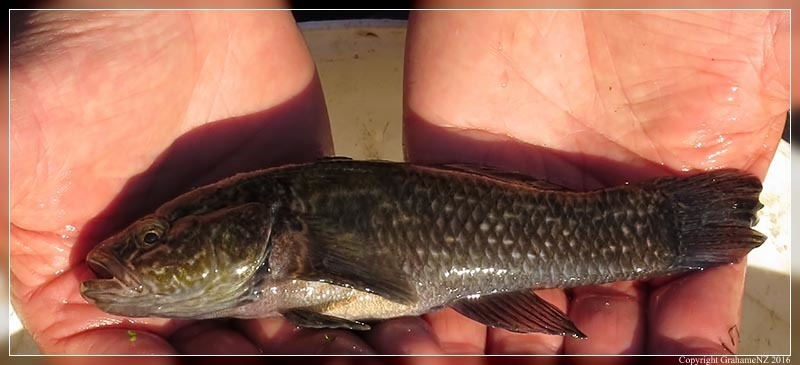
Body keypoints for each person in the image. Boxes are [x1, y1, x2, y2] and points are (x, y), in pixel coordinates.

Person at [10, 10, 789, 355]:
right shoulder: (280, 247)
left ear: (248, 224)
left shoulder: (294, 242)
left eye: (155, 238)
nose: (136, 252)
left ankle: (672, 227)